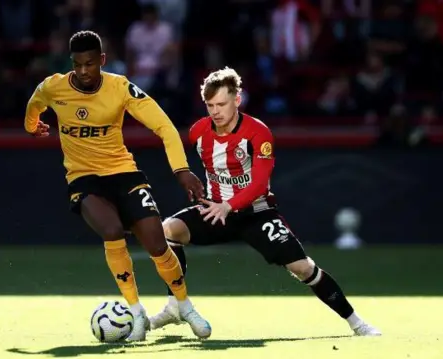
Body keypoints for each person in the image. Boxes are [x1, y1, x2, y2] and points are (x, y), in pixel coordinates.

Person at [148, 67, 381, 337]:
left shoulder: (257, 133)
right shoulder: (199, 132)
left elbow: (259, 184)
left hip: (256, 213)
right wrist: (189, 178)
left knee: (303, 267)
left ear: (237, 100)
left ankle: (356, 322)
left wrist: (229, 205)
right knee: (168, 230)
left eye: (221, 104)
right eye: (210, 105)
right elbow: (173, 144)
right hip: (216, 210)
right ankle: (175, 304)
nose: (215, 111)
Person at [24, 30, 211, 341]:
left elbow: (164, 126)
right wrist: (33, 127)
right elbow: (34, 105)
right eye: (77, 64)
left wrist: (182, 170)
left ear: (102, 60)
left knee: (156, 243)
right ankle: (136, 312)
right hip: (83, 177)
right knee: (111, 230)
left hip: (123, 173)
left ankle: (184, 305)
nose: (83, 71)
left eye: (90, 63)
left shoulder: (120, 87)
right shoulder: (53, 87)